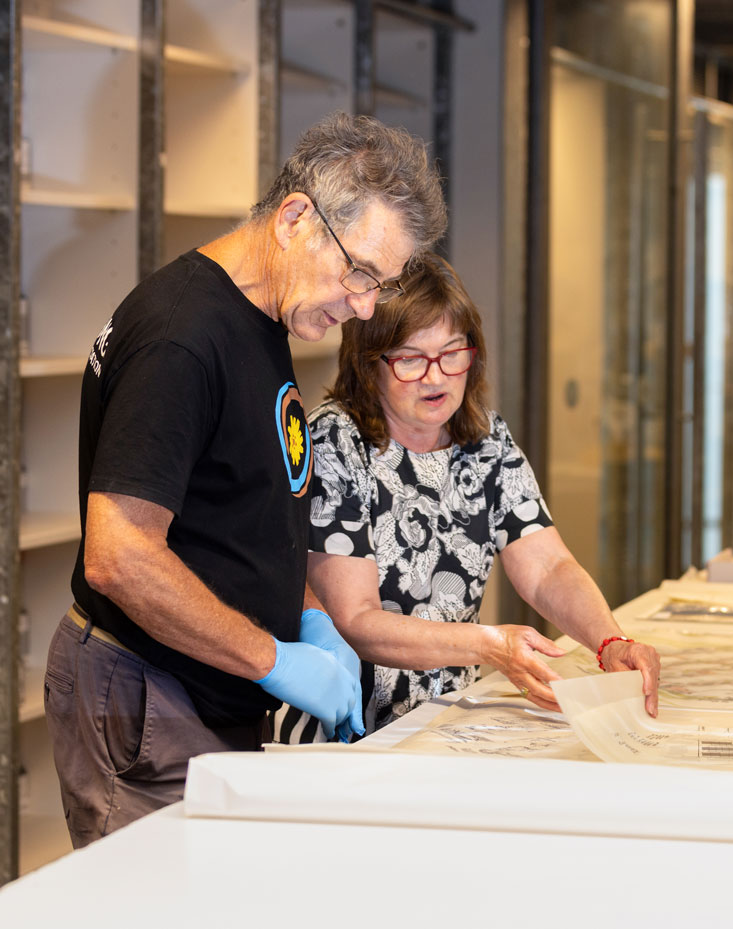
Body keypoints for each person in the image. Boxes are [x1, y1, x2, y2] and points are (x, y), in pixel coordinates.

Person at [44, 113, 447, 847]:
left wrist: (307, 617)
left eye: (378, 286)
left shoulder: (261, 319)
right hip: (149, 693)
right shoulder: (183, 338)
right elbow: (118, 553)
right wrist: (274, 658)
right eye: (359, 273)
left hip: (208, 688)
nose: (363, 306)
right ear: (297, 218)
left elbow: (247, 508)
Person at [277, 253, 660, 741]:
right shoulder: (337, 443)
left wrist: (610, 641)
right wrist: (491, 644)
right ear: (369, 365)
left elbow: (548, 569)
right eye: (411, 360)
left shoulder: (485, 441)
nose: (436, 377)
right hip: (352, 736)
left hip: (445, 724)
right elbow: (356, 621)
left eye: (452, 353)